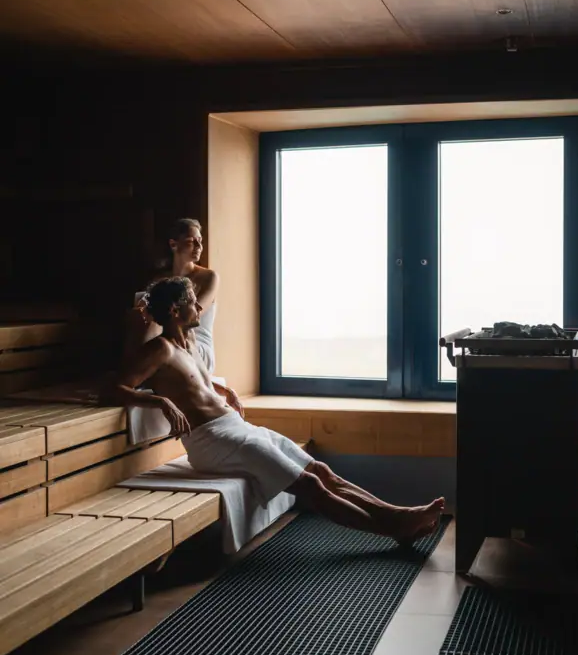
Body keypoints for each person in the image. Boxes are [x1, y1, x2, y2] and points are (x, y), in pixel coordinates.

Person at [111, 277, 445, 543]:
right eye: (192, 301)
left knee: (321, 471)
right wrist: (158, 401)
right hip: (210, 441)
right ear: (174, 309)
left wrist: (222, 388)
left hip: (235, 428)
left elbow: (195, 383)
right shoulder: (158, 350)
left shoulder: (192, 345)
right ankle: (393, 529)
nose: (199, 306)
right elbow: (113, 389)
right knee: (310, 487)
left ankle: (397, 515)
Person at [123, 217, 243, 416]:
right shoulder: (157, 280)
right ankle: (130, 373)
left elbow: (192, 314)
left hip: (195, 345)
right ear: (173, 244)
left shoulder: (208, 277)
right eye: (191, 241)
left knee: (153, 319)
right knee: (140, 315)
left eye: (200, 241)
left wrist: (153, 310)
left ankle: (131, 374)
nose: (198, 246)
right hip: (170, 339)